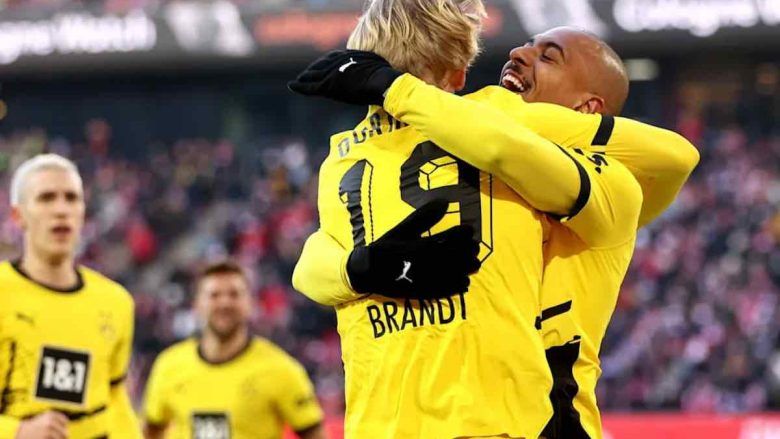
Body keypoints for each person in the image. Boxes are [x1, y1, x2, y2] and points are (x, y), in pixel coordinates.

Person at [290, 25, 699, 439]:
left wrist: (395, 88)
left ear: (587, 107)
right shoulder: (469, 162)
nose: (518, 53)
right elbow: (312, 262)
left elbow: (508, 146)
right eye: (527, 45)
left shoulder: (609, 181)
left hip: (552, 424)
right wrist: (358, 269)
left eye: (548, 57)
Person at [0, 154, 141, 439]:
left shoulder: (115, 302)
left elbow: (115, 396)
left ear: (83, 213)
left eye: (71, 198)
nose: (61, 210)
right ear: (18, 216)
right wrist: (16, 431)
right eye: (46, 198)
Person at [142, 260, 326, 439]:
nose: (224, 303)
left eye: (234, 294)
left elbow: (314, 433)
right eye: (214, 295)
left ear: (250, 303)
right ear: (197, 305)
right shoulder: (169, 365)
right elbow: (150, 430)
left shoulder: (281, 369)